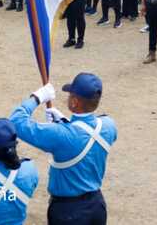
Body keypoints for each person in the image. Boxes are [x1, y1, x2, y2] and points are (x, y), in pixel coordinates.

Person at [10, 74, 117, 225]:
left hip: (68, 211)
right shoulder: (109, 125)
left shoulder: (60, 134)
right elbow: (86, 131)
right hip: (97, 206)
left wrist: (37, 97)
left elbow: (16, 122)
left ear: (74, 102)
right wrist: (66, 122)